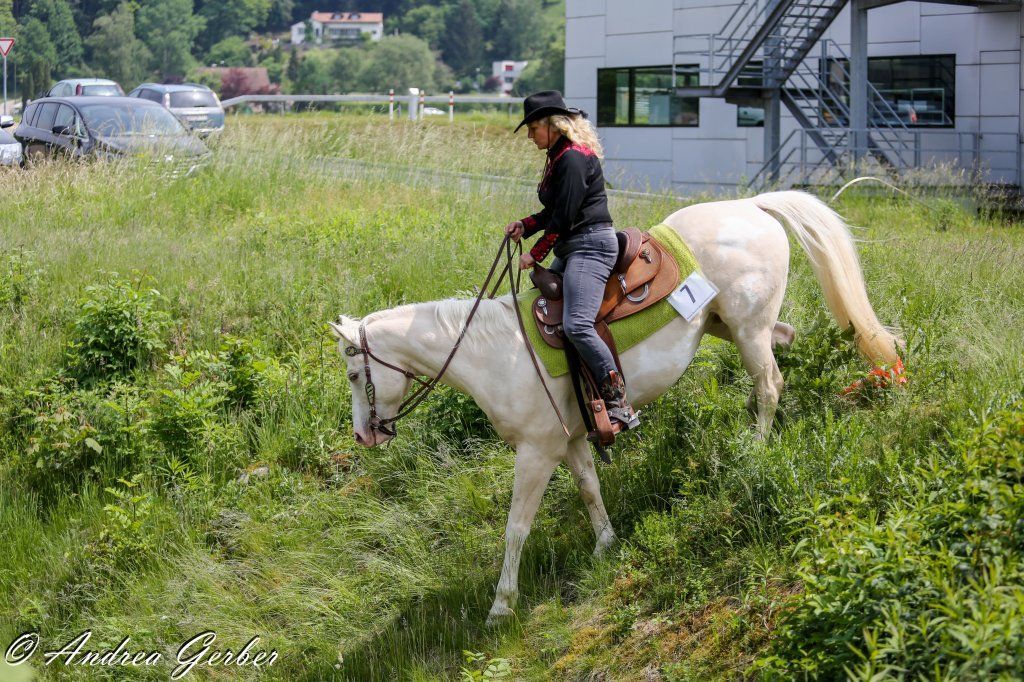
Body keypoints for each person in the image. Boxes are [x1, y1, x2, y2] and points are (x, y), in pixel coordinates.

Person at [504, 90, 640, 431]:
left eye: (533, 129)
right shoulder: (559, 156)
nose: (530, 136)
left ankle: (619, 402)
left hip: (590, 247)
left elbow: (563, 218)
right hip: (573, 246)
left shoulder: (573, 159)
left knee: (577, 324)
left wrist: (535, 254)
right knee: (539, 311)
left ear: (552, 125)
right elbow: (554, 212)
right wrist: (525, 225)